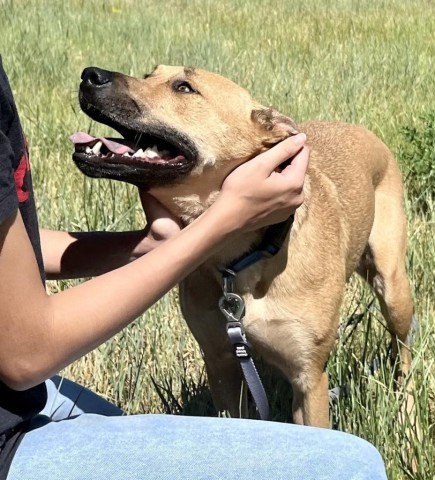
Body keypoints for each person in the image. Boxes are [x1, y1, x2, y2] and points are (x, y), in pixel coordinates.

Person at [0, 54, 388, 480]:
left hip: (15, 404)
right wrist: (221, 222)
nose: (143, 84)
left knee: (396, 304)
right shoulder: (200, 277)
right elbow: (24, 355)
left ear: (270, 141)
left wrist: (146, 244)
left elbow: (23, 252)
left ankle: (401, 363)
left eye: (180, 87)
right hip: (10, 424)